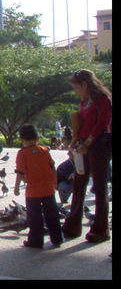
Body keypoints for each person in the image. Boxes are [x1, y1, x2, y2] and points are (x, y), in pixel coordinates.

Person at [62, 69, 112, 243]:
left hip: (99, 145)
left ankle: (101, 229)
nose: (75, 91)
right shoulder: (85, 102)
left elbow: (102, 123)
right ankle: (73, 225)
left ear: (85, 84)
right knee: (78, 183)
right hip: (83, 144)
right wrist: (75, 143)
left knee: (99, 187)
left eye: (76, 87)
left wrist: (87, 143)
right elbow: (82, 124)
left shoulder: (102, 99)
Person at [14, 124, 63, 248]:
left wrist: (16, 188)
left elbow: (20, 172)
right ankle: (57, 238)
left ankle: (36, 241)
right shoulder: (44, 150)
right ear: (37, 139)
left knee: (34, 218)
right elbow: (53, 167)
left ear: (21, 140)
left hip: (33, 191)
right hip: (48, 189)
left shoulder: (22, 153)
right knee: (52, 215)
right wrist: (55, 182)